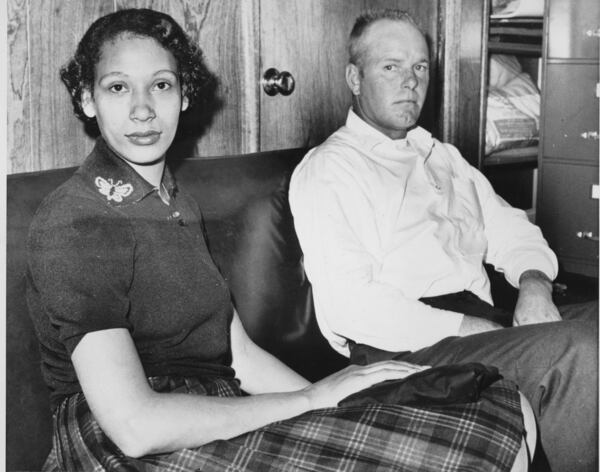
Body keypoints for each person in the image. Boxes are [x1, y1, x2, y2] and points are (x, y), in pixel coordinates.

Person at [26, 8, 534, 472]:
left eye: (160, 85)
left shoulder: (174, 203)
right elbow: (135, 427)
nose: (142, 110)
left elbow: (238, 355)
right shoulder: (77, 221)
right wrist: (308, 404)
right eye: (117, 88)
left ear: (183, 95)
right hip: (123, 441)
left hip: (215, 407)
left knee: (485, 413)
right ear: (87, 99)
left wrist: (338, 401)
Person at [290, 9, 598, 472]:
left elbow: (510, 227)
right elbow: (352, 307)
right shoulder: (332, 168)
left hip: (480, 321)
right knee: (578, 351)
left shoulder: (441, 155)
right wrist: (477, 330)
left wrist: (534, 284)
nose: (410, 81)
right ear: (354, 77)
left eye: (419, 68)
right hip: (407, 347)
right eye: (390, 66)